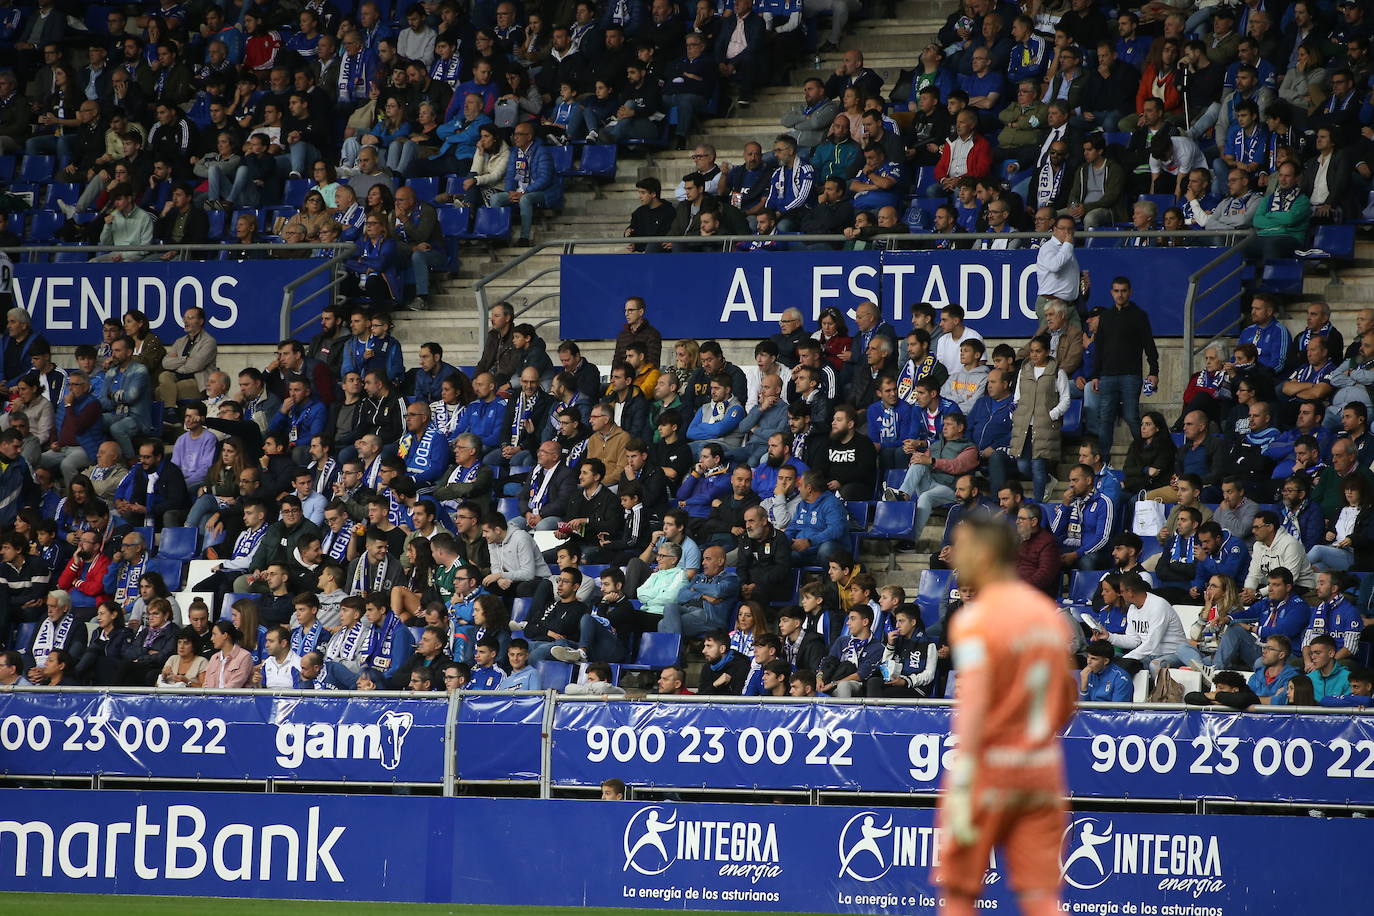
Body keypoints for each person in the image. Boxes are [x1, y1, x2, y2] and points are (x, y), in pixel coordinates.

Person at [936, 514, 1074, 915]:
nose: (956, 554)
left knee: (960, 893)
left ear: (984, 552)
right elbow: (1067, 698)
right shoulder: (1048, 615)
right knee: (1041, 897)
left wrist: (964, 773)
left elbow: (976, 700)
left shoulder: (977, 618)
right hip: (1042, 769)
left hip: (988, 768)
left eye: (963, 545)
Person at [1092, 277, 1159, 453]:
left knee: (1131, 417)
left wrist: (1154, 371)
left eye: (1123, 291)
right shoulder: (1105, 317)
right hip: (1107, 376)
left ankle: (1145, 453)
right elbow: (1099, 348)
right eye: (1116, 291)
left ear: (1130, 292)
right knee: (1105, 419)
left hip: (1131, 375)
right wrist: (1095, 375)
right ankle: (1103, 463)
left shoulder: (1139, 315)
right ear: (1111, 293)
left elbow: (1149, 345)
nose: (1120, 294)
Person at [697, 628, 752, 695]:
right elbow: (700, 698)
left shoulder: (741, 666)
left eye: (709, 646)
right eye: (704, 646)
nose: (704, 651)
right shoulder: (707, 667)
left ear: (722, 649)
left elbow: (738, 699)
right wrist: (715, 685)